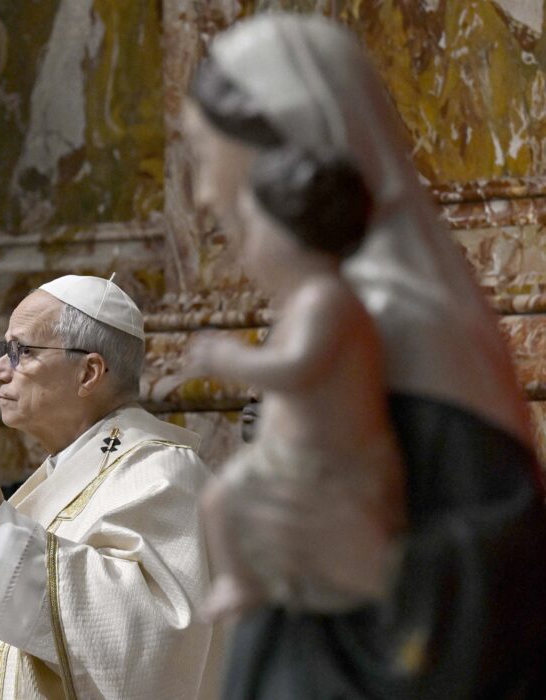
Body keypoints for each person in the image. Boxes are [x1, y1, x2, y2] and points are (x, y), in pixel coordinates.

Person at [173, 12, 546, 699]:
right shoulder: (332, 311)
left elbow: (515, 574)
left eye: (203, 154)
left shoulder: (411, 327)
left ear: (282, 149)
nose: (200, 195)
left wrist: (383, 569)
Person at [0, 274, 219, 699]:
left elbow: (159, 643)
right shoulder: (61, 475)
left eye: (22, 352)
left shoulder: (164, 473)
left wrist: (0, 531)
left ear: (88, 372)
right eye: (4, 351)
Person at [162, 147, 406, 623]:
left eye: (254, 230)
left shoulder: (327, 300)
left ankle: (242, 581)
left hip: (329, 462)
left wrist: (233, 359)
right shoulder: (300, 302)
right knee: (218, 498)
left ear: (294, 235)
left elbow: (297, 368)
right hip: (287, 458)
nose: (244, 244)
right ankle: (237, 581)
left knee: (230, 499)